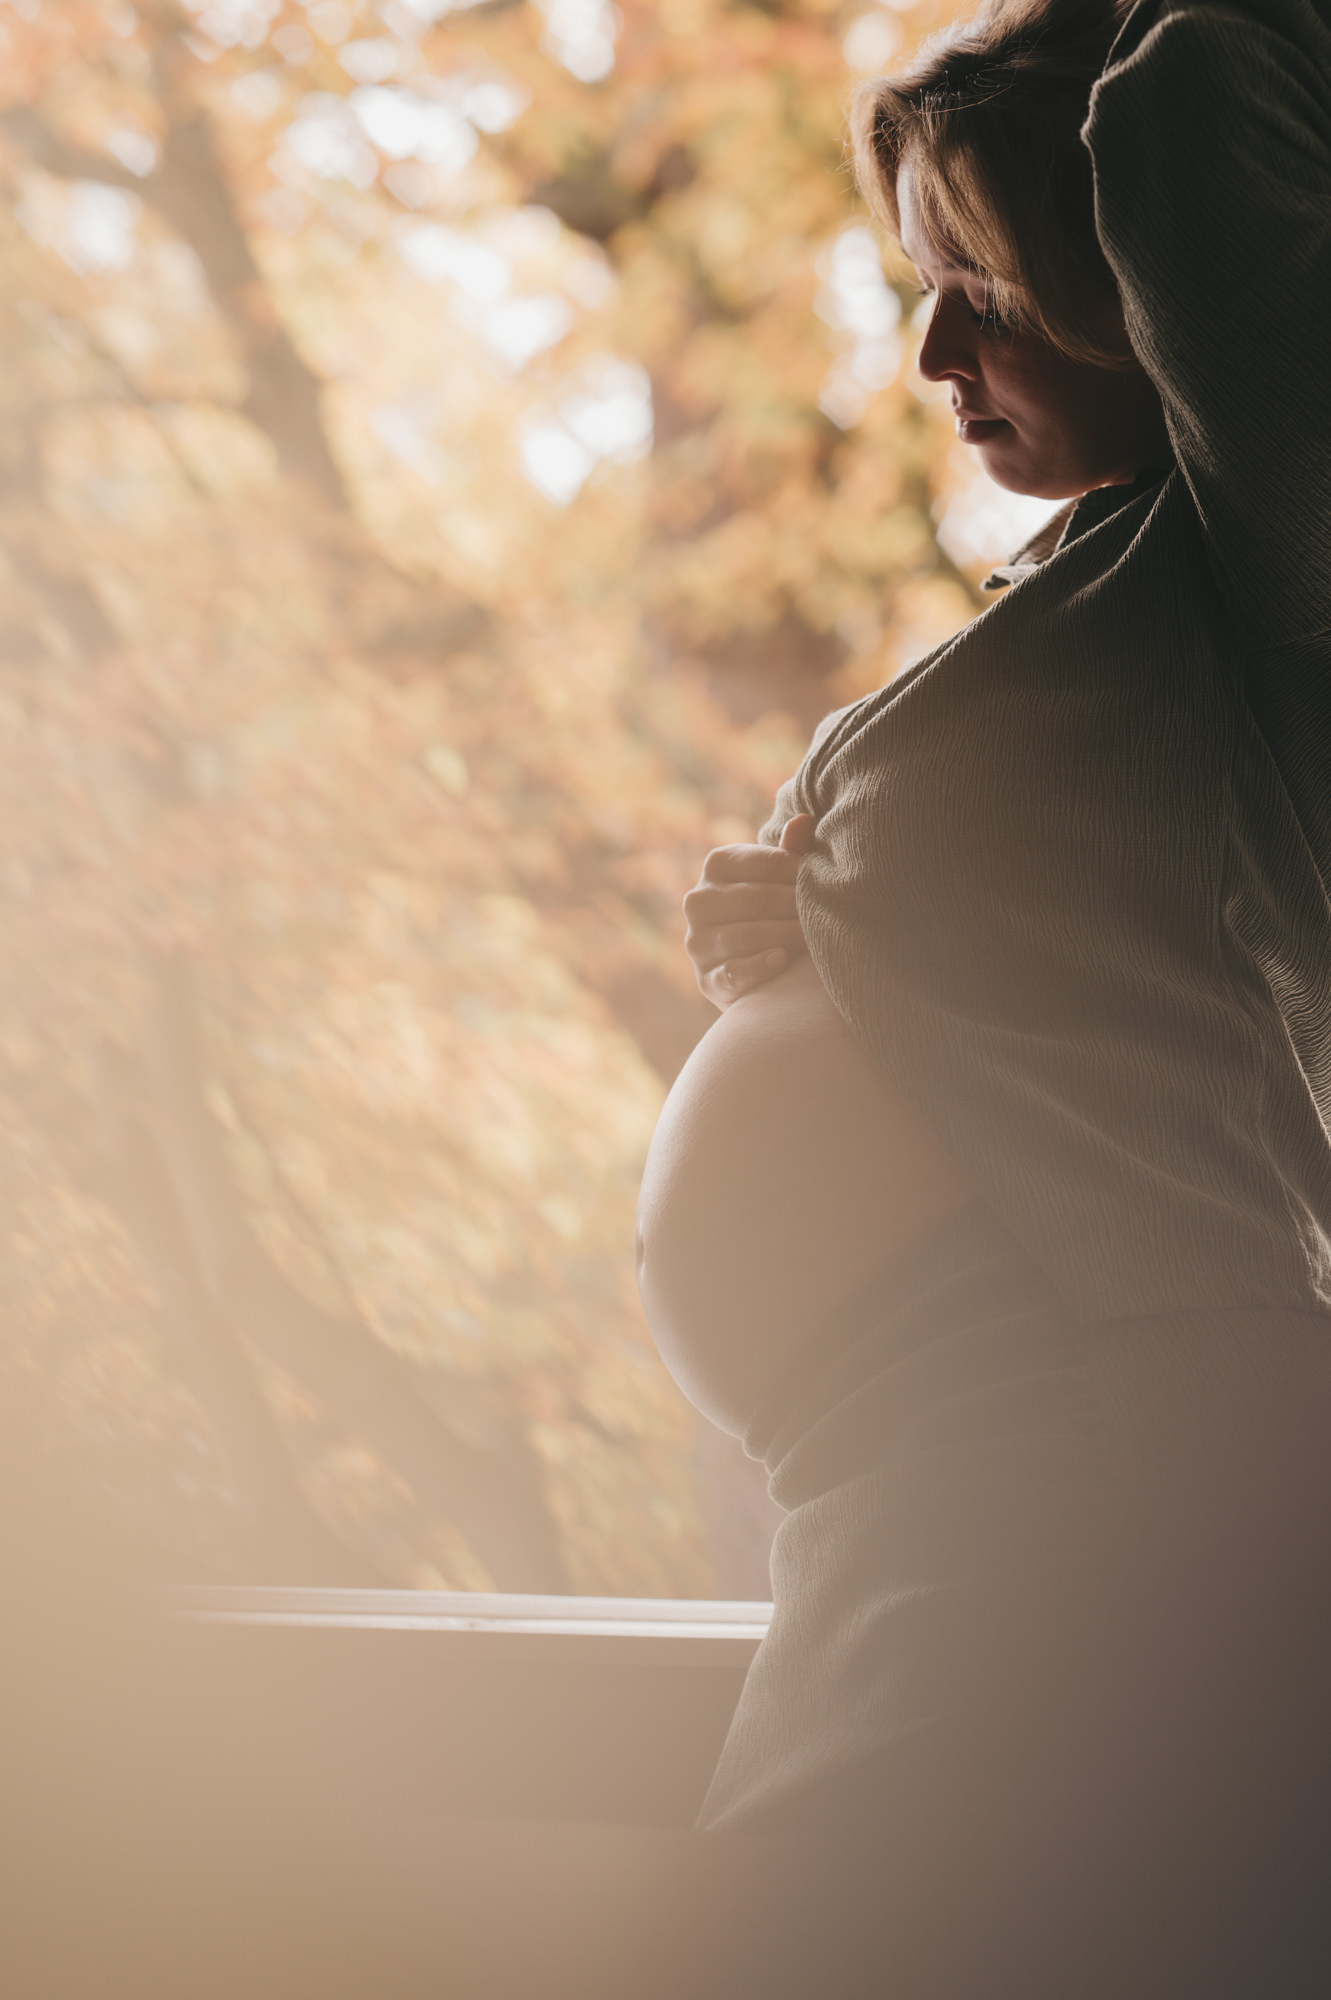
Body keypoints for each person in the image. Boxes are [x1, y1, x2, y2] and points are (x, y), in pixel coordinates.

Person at [636, 0, 1331, 1984]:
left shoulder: (1278, 549)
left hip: (1076, 1452)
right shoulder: (1099, 615)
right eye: (922, 290)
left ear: (1147, 281)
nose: (935, 352)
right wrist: (820, 937)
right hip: (931, 1457)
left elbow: (1206, 104)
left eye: (993, 288)